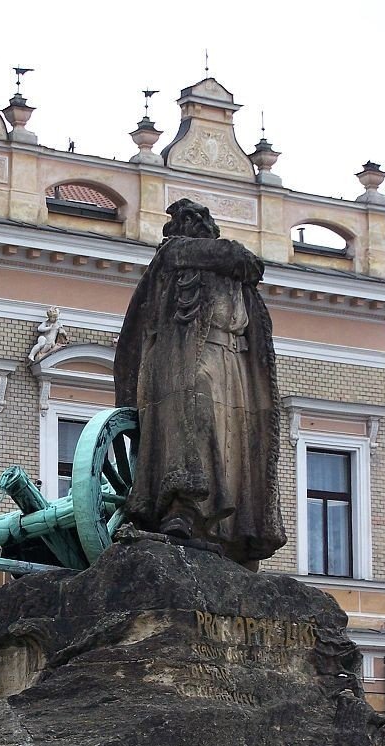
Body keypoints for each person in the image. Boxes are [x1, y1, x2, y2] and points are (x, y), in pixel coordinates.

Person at [114, 198, 286, 567]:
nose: (194, 226)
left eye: (197, 219)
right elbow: (235, 257)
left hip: (234, 364)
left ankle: (231, 531)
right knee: (198, 424)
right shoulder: (176, 256)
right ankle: (183, 508)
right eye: (187, 220)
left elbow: (248, 263)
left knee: (235, 447)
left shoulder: (225, 268)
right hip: (189, 359)